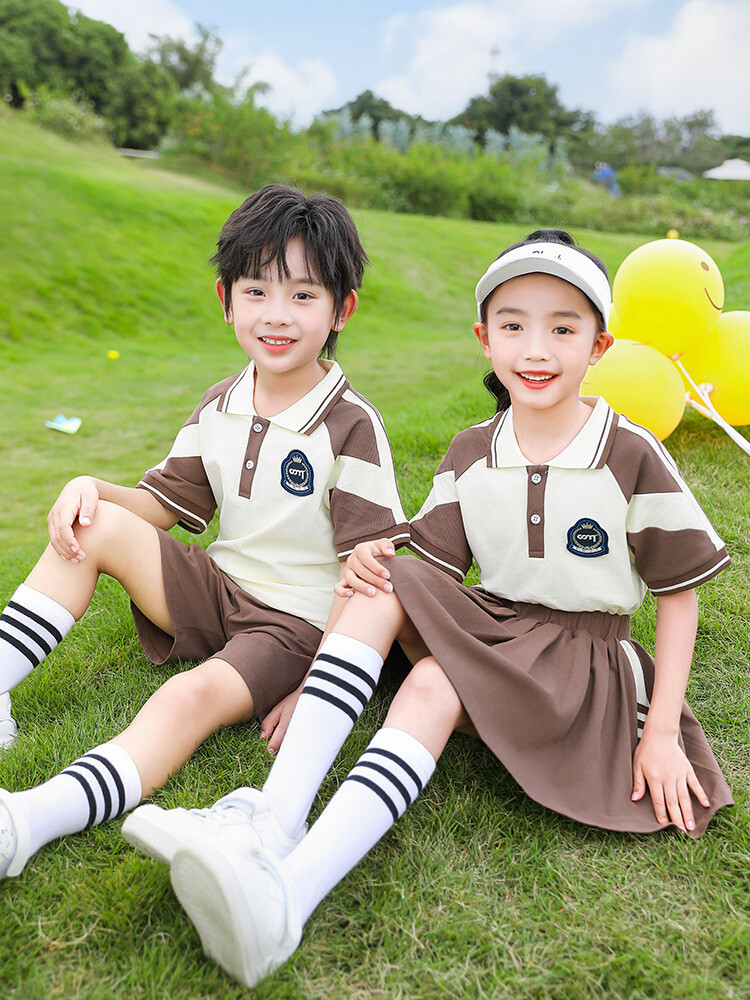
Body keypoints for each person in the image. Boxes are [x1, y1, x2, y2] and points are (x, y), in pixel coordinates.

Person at [130, 229, 732, 989]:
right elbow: (419, 575)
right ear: (486, 339)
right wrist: (309, 679)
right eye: (513, 326)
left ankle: (287, 881)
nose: (536, 350)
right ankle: (279, 833)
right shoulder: (470, 452)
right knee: (388, 585)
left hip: (580, 667)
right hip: (494, 633)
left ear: (599, 346)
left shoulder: (630, 452)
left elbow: (679, 595)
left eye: (563, 329)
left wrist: (661, 732)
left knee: (394, 590)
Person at [0, 184, 409, 880]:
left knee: (184, 697)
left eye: (303, 295)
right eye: (256, 291)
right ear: (226, 300)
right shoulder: (219, 403)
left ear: (342, 309)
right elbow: (163, 504)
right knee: (94, 522)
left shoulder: (351, 425)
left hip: (292, 629)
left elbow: (370, 574)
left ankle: (29, 820)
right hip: (216, 589)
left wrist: (313, 686)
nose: (276, 315)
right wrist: (90, 487)